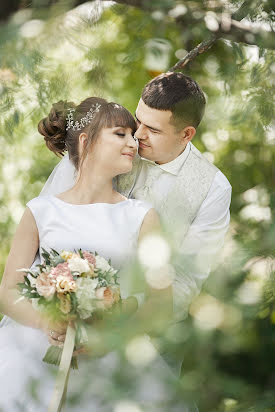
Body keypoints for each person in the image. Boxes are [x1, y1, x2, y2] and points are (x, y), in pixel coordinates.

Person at [0, 97, 173, 411]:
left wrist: (111, 338)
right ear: (85, 140)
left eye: (133, 135)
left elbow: (162, 302)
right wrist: (45, 322)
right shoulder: (41, 211)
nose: (133, 142)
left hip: (113, 357)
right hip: (34, 355)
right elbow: (8, 291)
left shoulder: (143, 216)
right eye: (120, 133)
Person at [41, 72, 232, 325]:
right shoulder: (114, 142)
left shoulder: (213, 189)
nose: (138, 135)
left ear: (186, 134)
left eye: (152, 129)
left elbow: (187, 280)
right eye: (138, 120)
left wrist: (124, 320)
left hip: (146, 328)